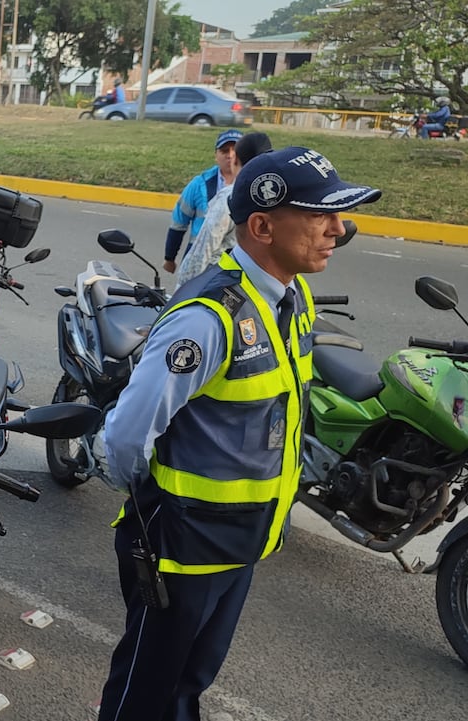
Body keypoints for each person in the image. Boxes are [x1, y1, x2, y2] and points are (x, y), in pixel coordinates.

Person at [95, 146, 382, 721]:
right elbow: (125, 438)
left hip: (242, 541)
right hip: (182, 551)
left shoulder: (289, 297)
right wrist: (153, 512)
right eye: (320, 216)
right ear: (263, 227)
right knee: (145, 694)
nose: (338, 229)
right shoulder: (208, 318)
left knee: (189, 684)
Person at [173, 132, 274, 290]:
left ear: (236, 160)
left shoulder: (231, 197)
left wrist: (183, 289)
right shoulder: (275, 196)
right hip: (263, 282)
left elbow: (204, 249)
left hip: (224, 283)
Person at [163, 129, 243, 274]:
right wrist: (170, 258)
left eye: (235, 151)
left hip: (234, 263)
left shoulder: (252, 186)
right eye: (224, 151)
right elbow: (179, 223)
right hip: (198, 259)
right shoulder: (199, 184)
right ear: (216, 155)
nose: (230, 155)